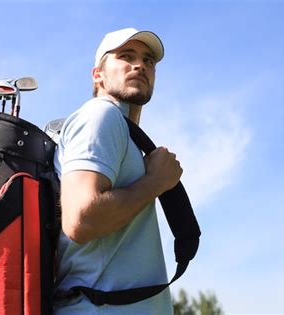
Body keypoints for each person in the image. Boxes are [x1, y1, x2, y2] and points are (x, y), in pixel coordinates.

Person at [53, 28, 182, 314]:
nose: (140, 65)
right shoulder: (101, 114)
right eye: (126, 56)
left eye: (148, 61)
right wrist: (155, 182)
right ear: (98, 75)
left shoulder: (124, 132)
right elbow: (81, 219)